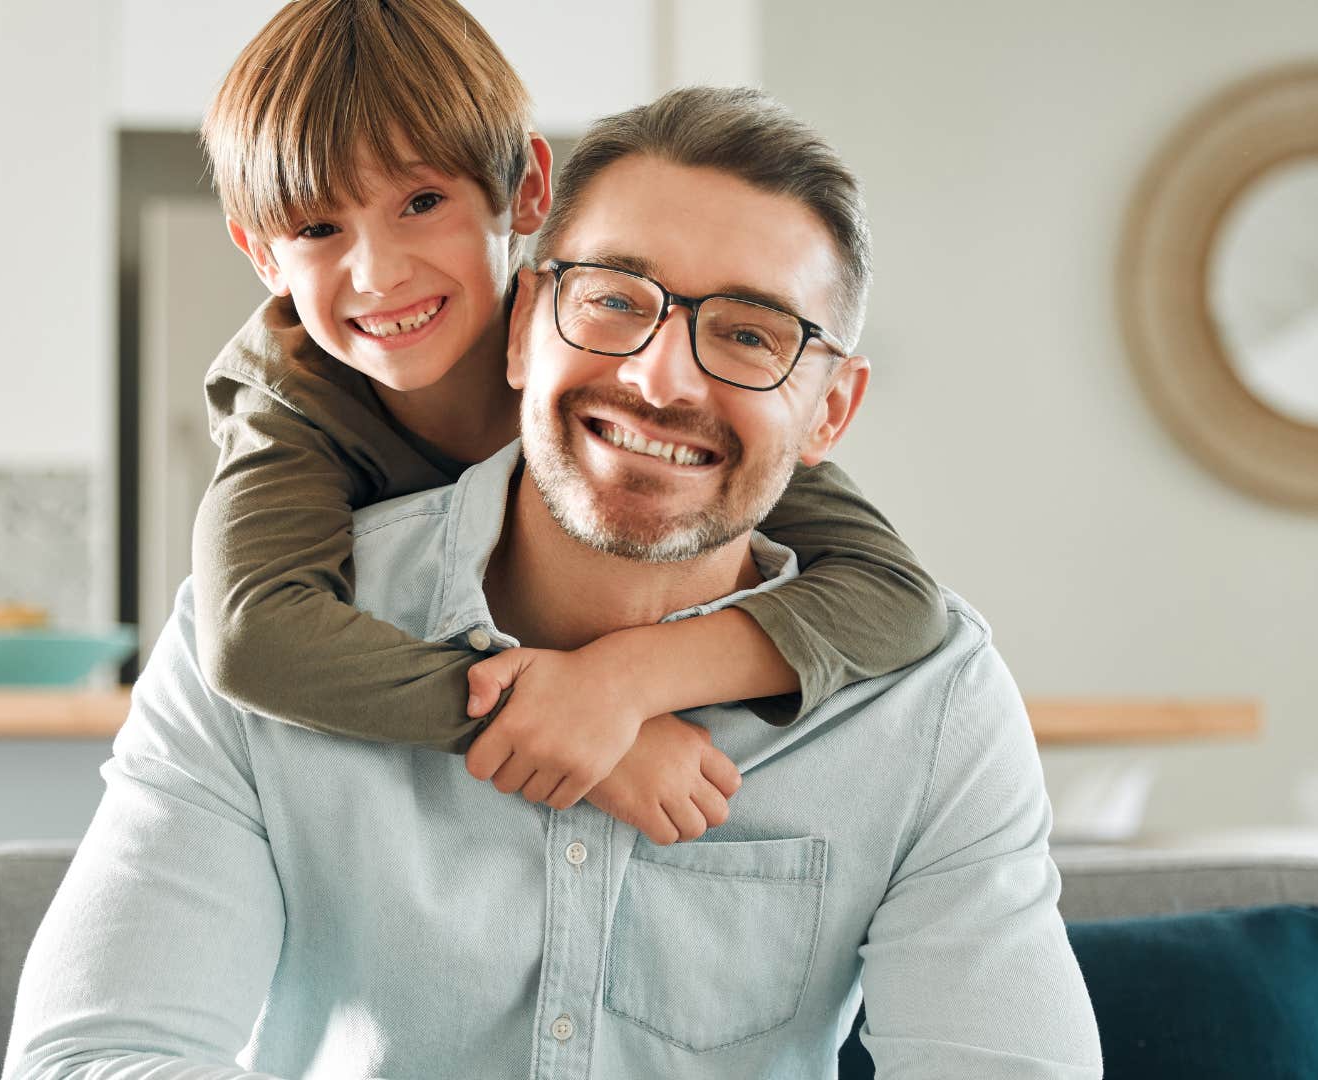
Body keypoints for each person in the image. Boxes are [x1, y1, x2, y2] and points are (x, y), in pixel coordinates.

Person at [6, 85, 1103, 1079]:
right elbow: (95, 1058)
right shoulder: (269, 630)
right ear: (526, 324)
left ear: (831, 412)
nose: (658, 377)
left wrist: (629, 682)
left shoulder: (929, 707)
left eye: (750, 333)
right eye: (617, 300)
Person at [191, 0, 945, 842]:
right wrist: (552, 720)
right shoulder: (287, 400)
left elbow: (897, 596)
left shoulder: (603, 350)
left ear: (526, 192)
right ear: (262, 255)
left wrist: (622, 684)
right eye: (320, 227)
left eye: (422, 201)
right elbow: (253, 636)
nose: (377, 274)